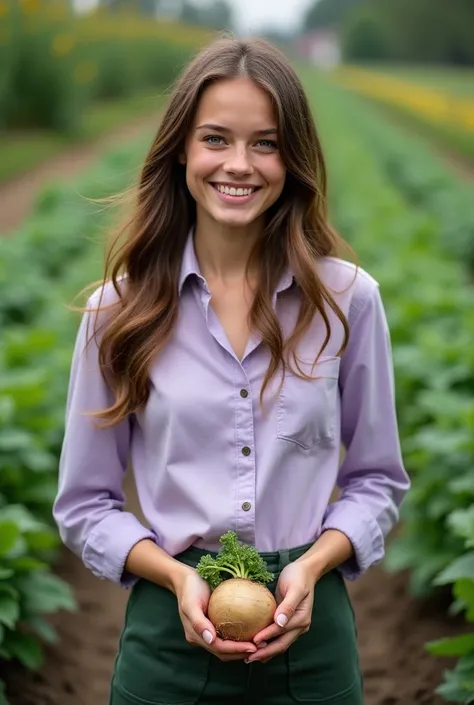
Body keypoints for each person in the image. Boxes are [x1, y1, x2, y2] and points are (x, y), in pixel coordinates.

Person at [53, 35, 410, 705]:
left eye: (266, 144)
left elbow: (377, 479)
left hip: (313, 633)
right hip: (167, 633)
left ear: (293, 159)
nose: (239, 165)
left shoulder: (347, 300)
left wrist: (313, 564)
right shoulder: (119, 310)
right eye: (216, 139)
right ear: (181, 149)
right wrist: (177, 576)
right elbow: (85, 504)